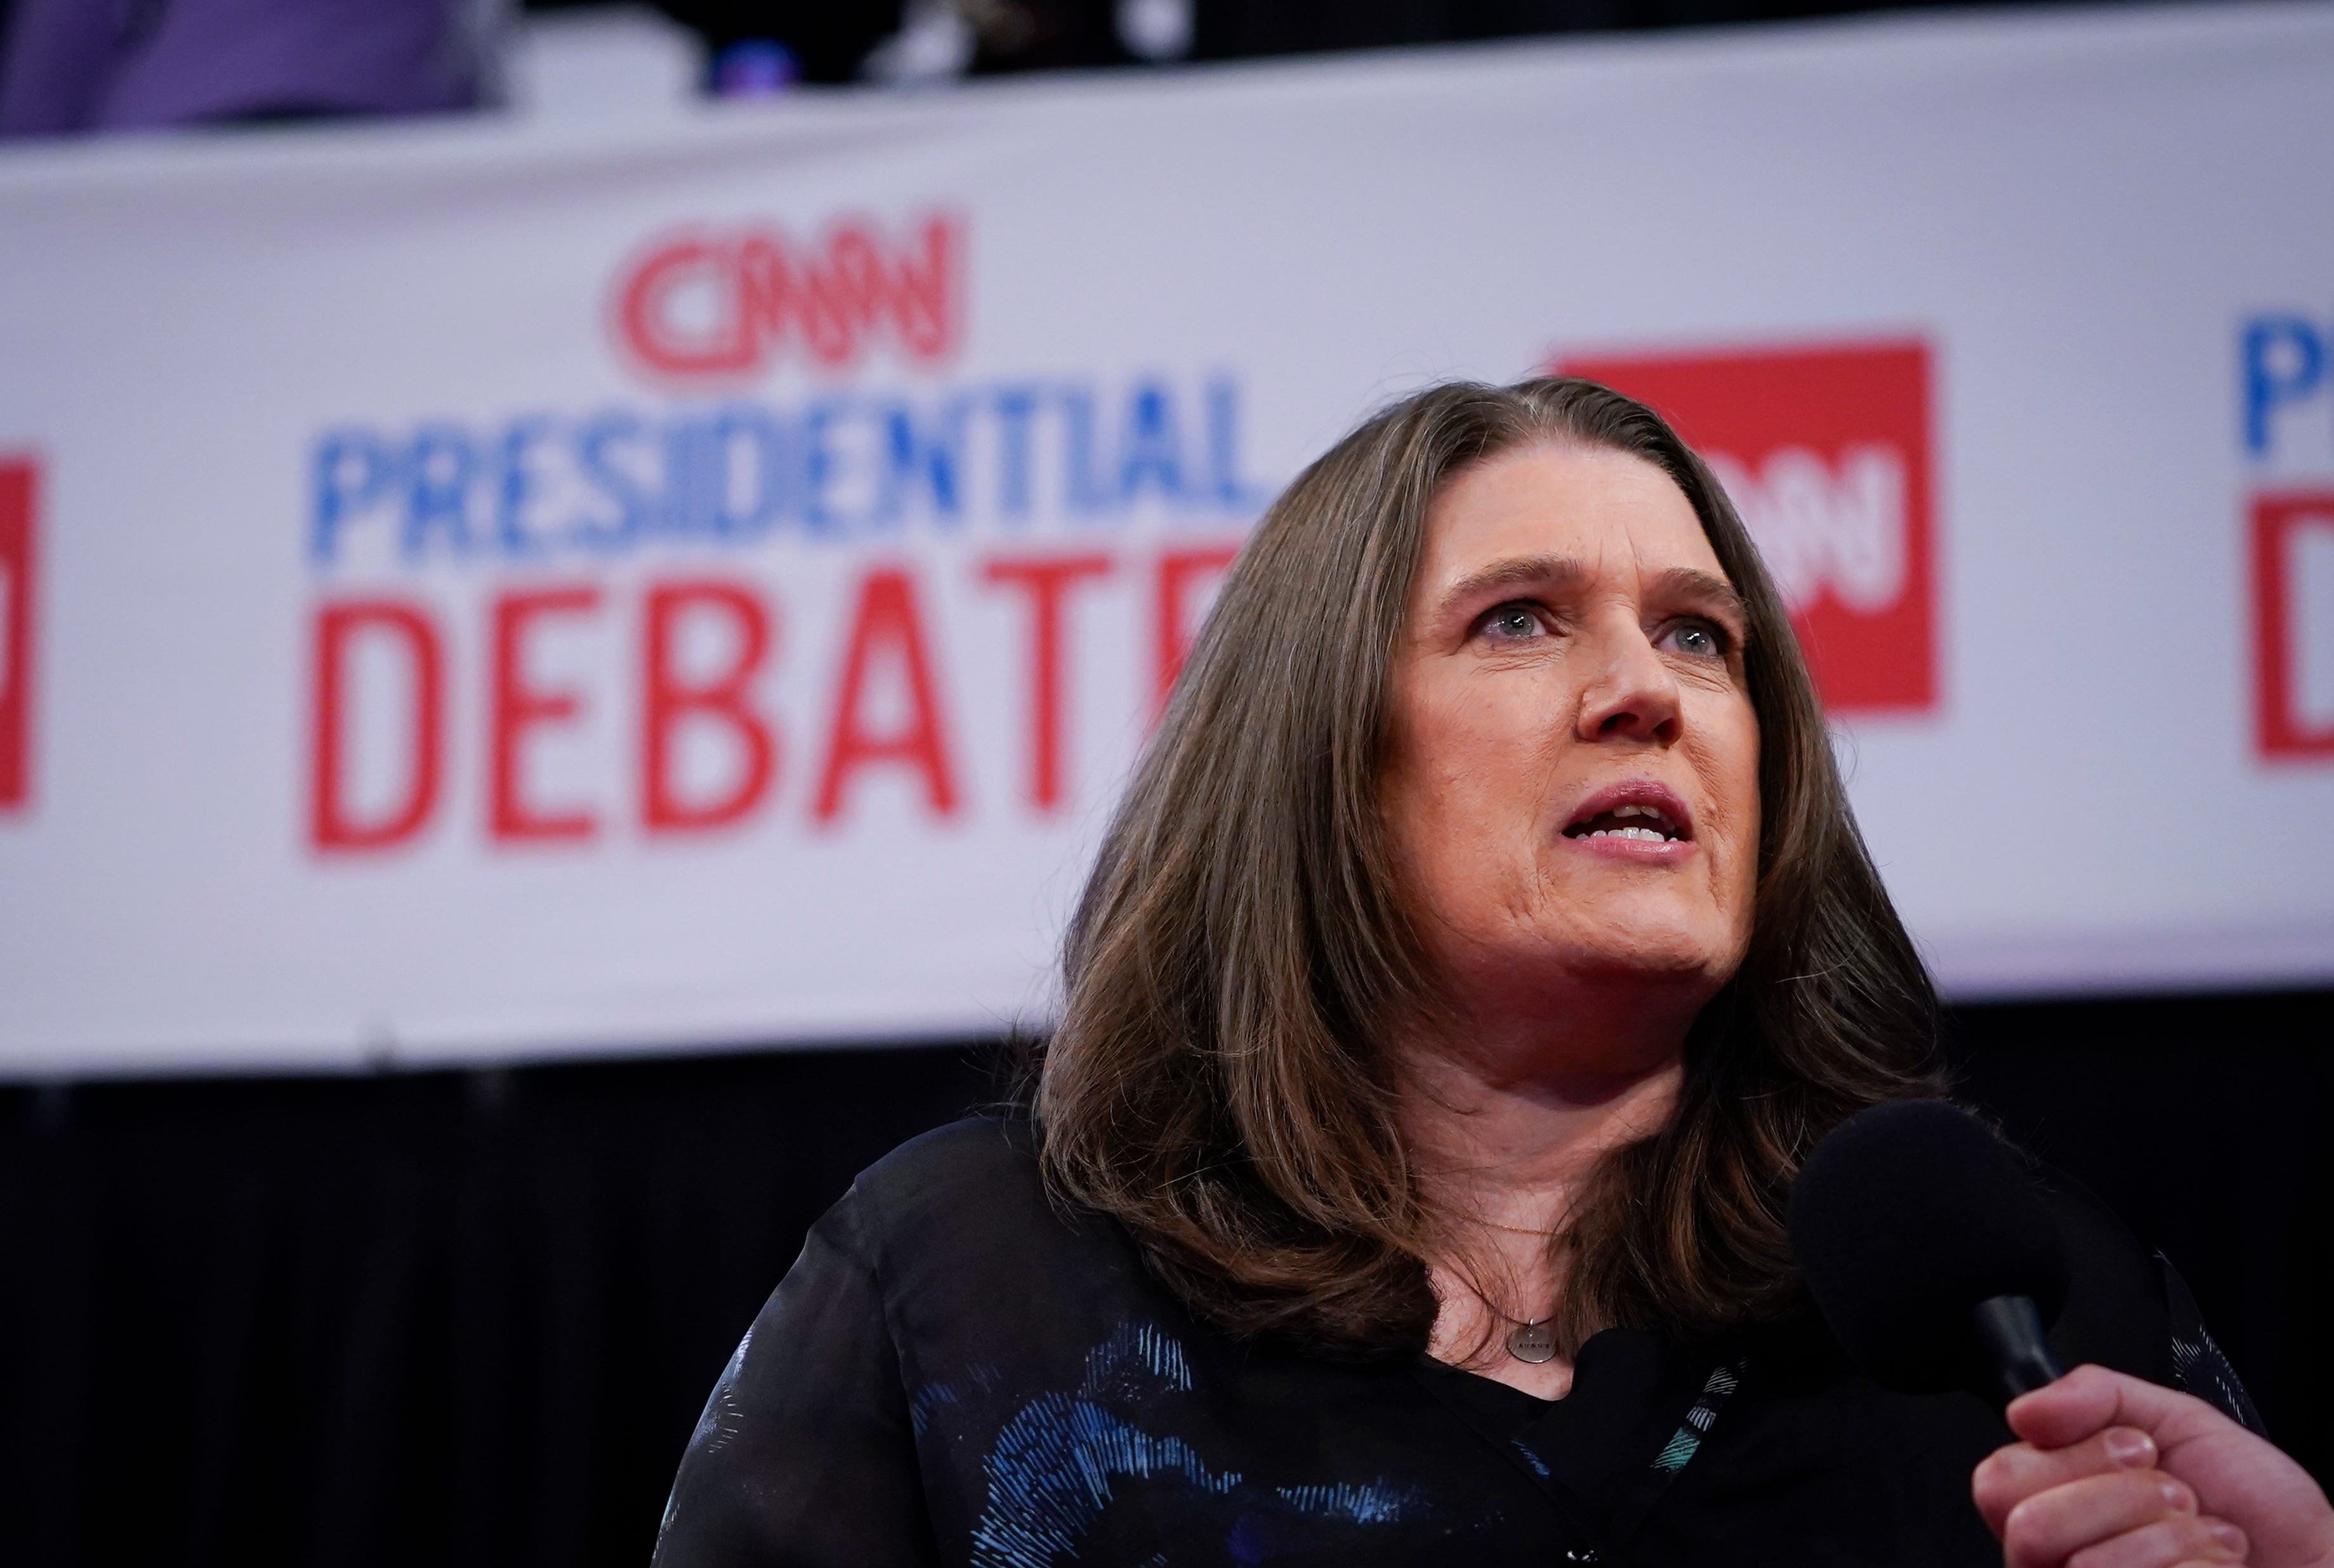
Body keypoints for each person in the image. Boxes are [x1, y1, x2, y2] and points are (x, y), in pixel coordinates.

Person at [651, 379, 2333, 1566]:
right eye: (1520, 620)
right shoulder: (968, 1290)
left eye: (1701, 636)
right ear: (1320, 760)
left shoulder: (2024, 1320)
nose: (1646, 691)